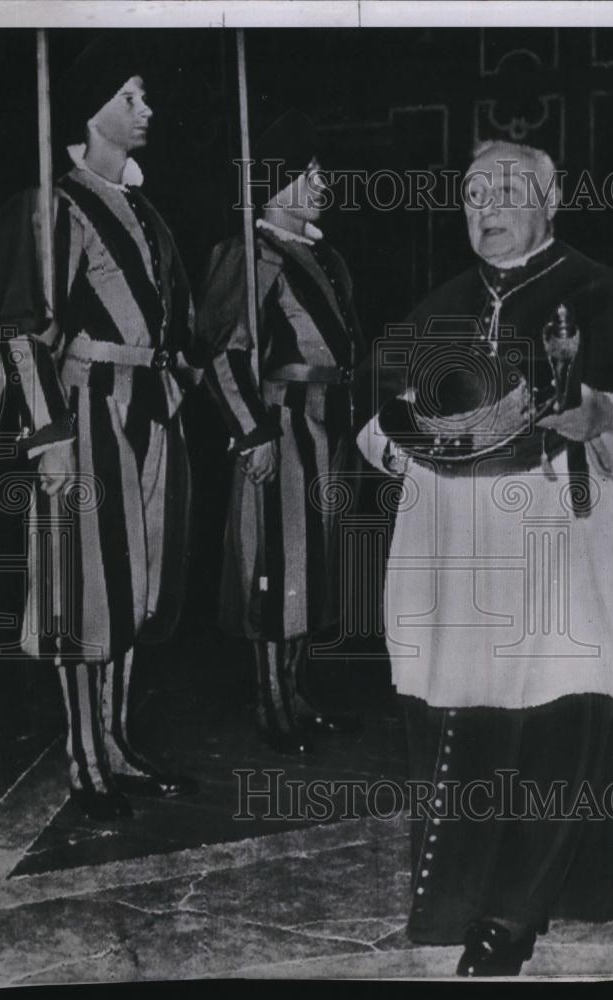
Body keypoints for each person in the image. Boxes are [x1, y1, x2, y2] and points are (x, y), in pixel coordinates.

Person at [355, 140, 613, 976]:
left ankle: (511, 919)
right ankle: (483, 895)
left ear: (552, 200)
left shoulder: (605, 294)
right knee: (476, 722)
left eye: (508, 189)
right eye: (473, 193)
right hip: (461, 551)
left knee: (567, 710)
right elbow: (378, 425)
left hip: (567, 540)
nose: (487, 206)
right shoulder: (438, 304)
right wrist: (404, 439)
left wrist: (605, 416)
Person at [0, 33, 201, 822]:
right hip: (85, 412)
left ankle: (115, 741)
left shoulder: (140, 210)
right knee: (85, 588)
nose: (147, 109)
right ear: (92, 112)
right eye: (132, 97)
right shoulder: (55, 206)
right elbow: (22, 331)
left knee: (133, 587)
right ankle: (83, 759)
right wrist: (48, 441)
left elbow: (169, 320)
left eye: (144, 97)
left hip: (147, 410)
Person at [196, 110, 366, 756]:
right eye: (310, 175)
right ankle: (269, 706)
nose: (322, 186)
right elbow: (221, 352)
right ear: (275, 184)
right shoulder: (251, 253)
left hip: (327, 425)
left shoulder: (322, 258)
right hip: (280, 426)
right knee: (276, 568)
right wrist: (252, 433)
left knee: (312, 570)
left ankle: (296, 691)